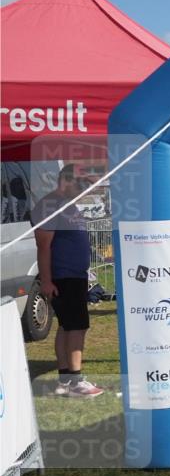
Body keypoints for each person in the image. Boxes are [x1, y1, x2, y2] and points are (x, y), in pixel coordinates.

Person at [31, 164, 104, 397]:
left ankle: (65, 379)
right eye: (79, 183)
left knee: (66, 326)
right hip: (64, 277)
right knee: (77, 327)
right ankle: (75, 380)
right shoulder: (50, 205)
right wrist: (46, 280)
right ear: (66, 180)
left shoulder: (69, 205)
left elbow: (95, 184)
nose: (83, 188)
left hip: (75, 276)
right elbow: (43, 246)